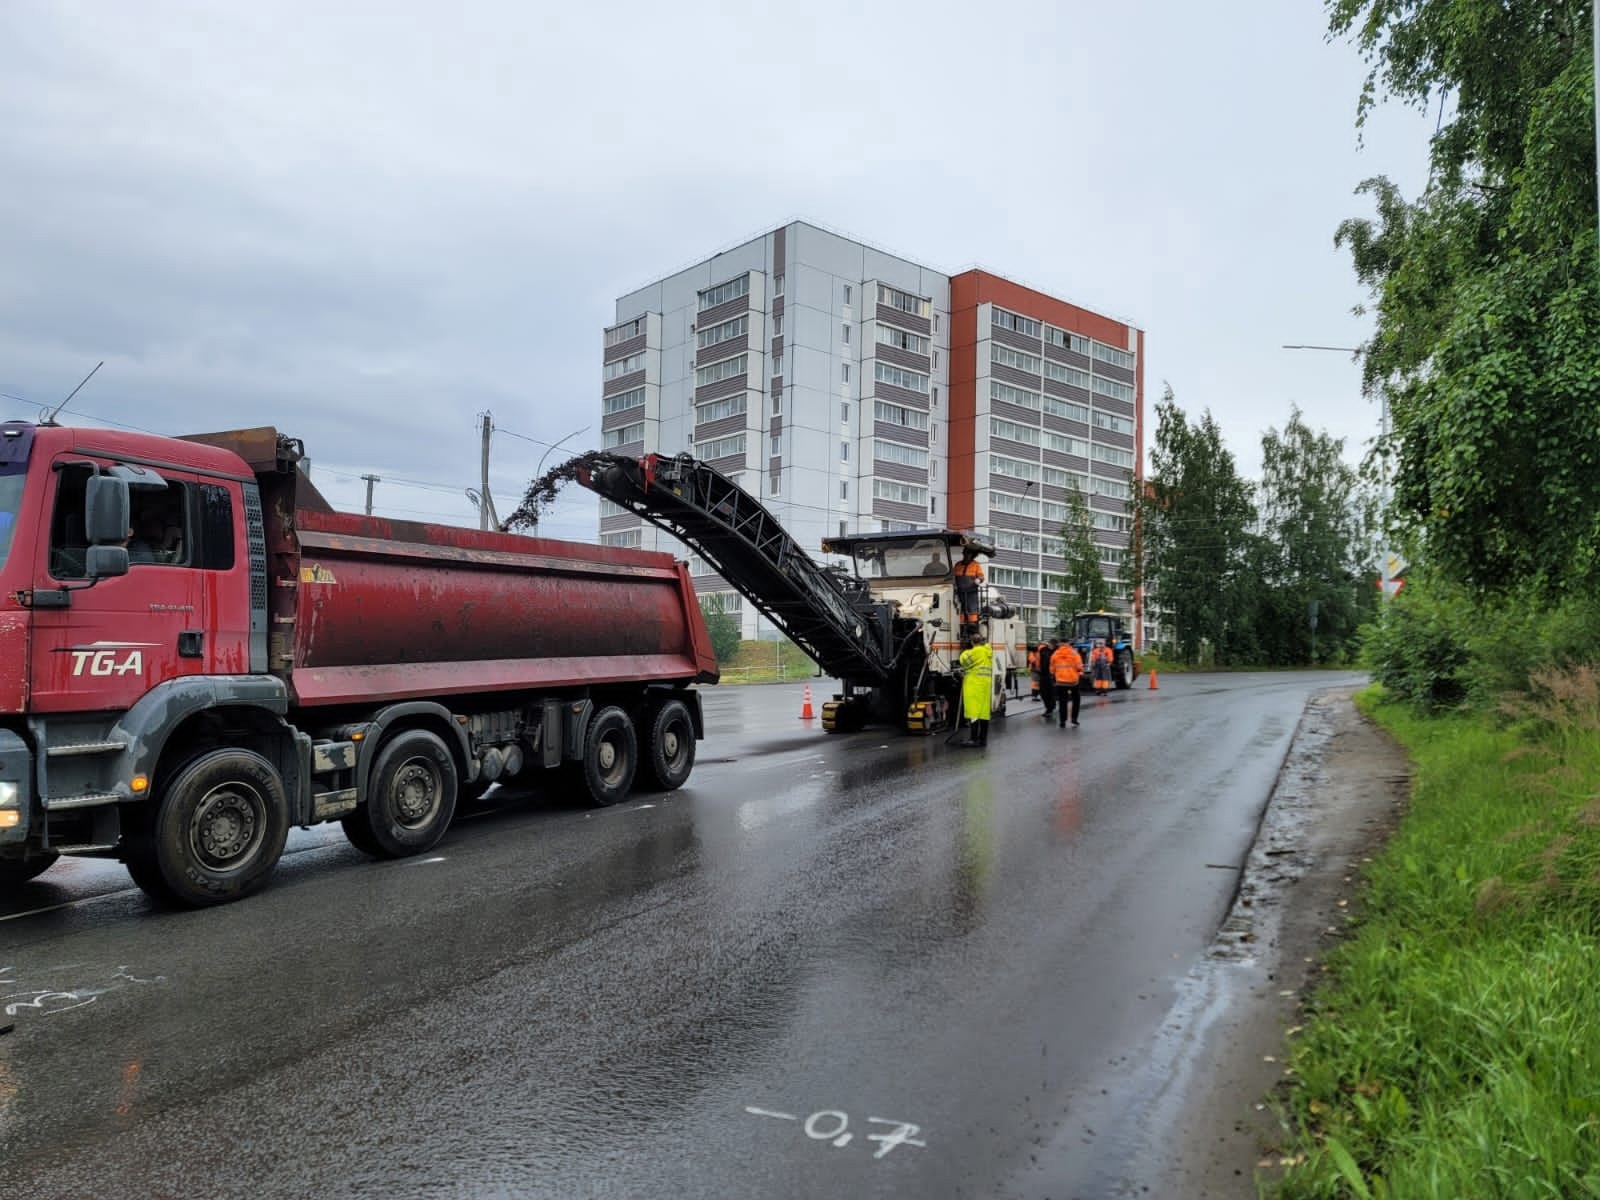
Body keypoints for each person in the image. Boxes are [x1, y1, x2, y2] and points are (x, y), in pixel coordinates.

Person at [958, 630, 994, 747]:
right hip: (985, 685)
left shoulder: (976, 651)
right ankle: (982, 740)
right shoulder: (987, 651)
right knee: (983, 713)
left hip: (974, 685)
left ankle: (973, 739)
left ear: (973, 642)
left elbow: (964, 661)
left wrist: (965, 651)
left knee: (974, 712)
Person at [1050, 639, 1084, 728]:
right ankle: (1074, 719)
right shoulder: (1074, 654)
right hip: (1073, 682)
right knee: (1076, 700)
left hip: (1061, 682)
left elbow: (1052, 670)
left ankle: (1062, 721)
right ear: (1068, 643)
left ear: (1060, 644)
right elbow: (1079, 667)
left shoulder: (1055, 654)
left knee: (1062, 702)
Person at [953, 546, 984, 635]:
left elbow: (981, 576)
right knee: (960, 610)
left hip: (971, 592)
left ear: (972, 555)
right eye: (965, 554)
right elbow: (953, 577)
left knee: (971, 611)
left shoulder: (976, 565)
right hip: (959, 592)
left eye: (968, 554)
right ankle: (961, 627)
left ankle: (973, 629)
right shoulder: (958, 565)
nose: (966, 556)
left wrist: (978, 579)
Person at [1037, 638, 1058, 720]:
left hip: (1053, 675)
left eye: (1052, 644)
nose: (1050, 645)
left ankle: (1050, 709)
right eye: (1050, 644)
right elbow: (1038, 658)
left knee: (1051, 692)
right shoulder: (1043, 650)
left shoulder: (1057, 651)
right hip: (1043, 674)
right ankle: (1049, 707)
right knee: (1043, 692)